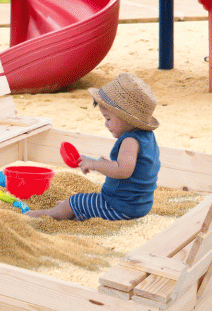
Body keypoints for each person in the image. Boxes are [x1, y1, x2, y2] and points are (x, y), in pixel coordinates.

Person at [27, 72, 160, 221]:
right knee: (82, 202)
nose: (106, 124)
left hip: (121, 207)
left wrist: (95, 164)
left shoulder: (130, 141)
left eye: (108, 118)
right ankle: (72, 209)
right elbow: (133, 169)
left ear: (126, 117)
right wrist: (105, 165)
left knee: (74, 201)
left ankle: (47, 214)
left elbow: (123, 170)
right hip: (139, 205)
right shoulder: (147, 137)